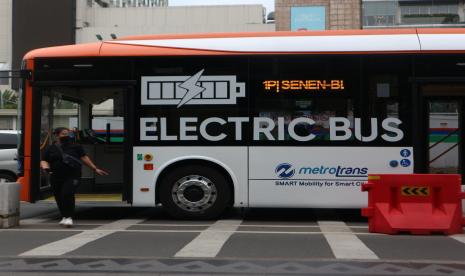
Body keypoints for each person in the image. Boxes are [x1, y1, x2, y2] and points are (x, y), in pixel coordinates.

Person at [40, 127, 108, 227]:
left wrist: (95, 168)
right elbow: (44, 160)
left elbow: (84, 158)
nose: (66, 136)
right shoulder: (50, 148)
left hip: (73, 175)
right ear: (57, 135)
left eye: (68, 134)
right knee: (59, 196)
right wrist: (46, 169)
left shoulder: (75, 146)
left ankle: (69, 217)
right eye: (63, 134)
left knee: (67, 193)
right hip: (55, 175)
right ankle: (64, 216)